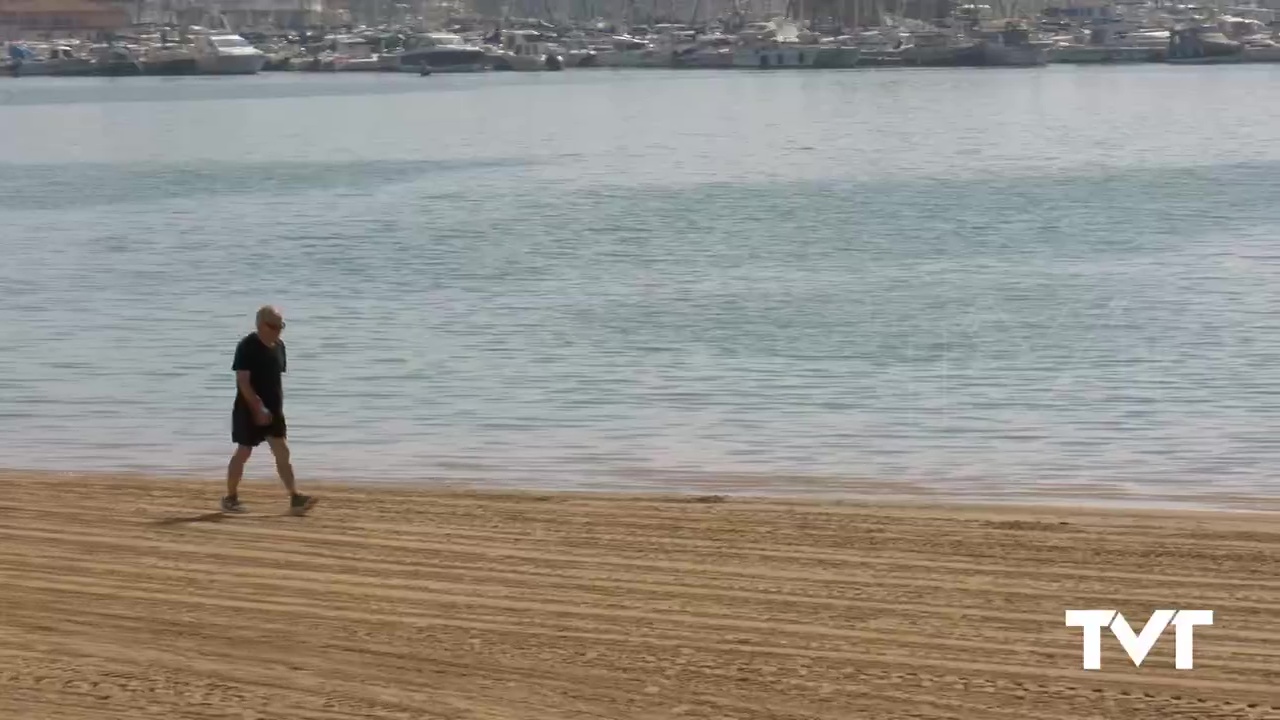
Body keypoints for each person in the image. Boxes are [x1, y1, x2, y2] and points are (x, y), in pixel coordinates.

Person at [222, 305, 317, 516]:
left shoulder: (279, 346)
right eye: (273, 326)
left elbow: (275, 379)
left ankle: (295, 497)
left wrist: (273, 408)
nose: (278, 330)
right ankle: (230, 497)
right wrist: (258, 407)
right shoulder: (247, 346)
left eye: (280, 326)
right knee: (244, 452)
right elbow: (243, 382)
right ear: (260, 325)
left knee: (282, 451)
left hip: (274, 410)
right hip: (249, 409)